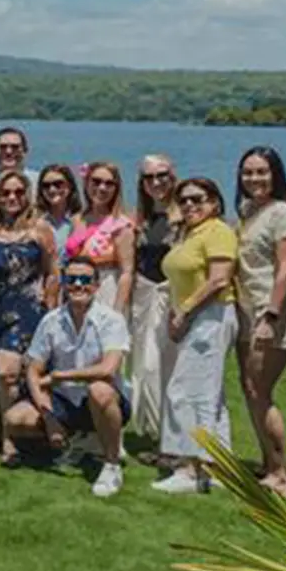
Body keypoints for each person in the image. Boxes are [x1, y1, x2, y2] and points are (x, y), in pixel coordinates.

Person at [3, 256, 132, 497]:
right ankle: (77, 442)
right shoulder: (51, 321)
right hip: (64, 400)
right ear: (63, 283)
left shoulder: (112, 320)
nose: (78, 285)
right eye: (72, 279)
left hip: (103, 399)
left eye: (85, 279)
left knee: (99, 390)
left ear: (97, 285)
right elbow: (33, 370)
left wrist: (60, 376)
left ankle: (111, 464)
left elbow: (108, 369)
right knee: (15, 418)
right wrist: (48, 418)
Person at [0, 169, 57, 452]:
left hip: (27, 310)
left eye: (18, 192)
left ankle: (11, 437)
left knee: (7, 371)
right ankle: (4, 430)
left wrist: (51, 309)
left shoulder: (40, 229)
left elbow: (52, 273)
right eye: (5, 192)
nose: (12, 197)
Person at [156, 176, 239, 496]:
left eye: (198, 199)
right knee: (210, 396)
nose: (190, 205)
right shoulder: (191, 233)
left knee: (185, 391)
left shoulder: (218, 231)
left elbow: (219, 280)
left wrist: (185, 312)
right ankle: (219, 468)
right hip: (196, 316)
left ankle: (190, 469)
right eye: (184, 200)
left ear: (215, 203)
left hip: (211, 316)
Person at [233, 146, 286, 498]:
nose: (254, 178)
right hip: (246, 311)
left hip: (270, 313)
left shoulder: (285, 215)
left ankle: (282, 474)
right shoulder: (248, 211)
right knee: (250, 388)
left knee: (260, 389)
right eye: (248, 172)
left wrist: (272, 315)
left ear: (275, 174)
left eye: (261, 171)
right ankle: (268, 463)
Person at [128, 155, 180, 449]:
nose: (156, 182)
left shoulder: (184, 216)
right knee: (142, 366)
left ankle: (170, 435)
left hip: (170, 297)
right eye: (149, 177)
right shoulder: (141, 220)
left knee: (161, 365)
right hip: (143, 297)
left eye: (162, 175)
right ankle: (154, 431)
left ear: (173, 177)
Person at [66, 160, 136, 315]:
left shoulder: (120, 224)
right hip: (77, 288)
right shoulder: (77, 219)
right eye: (96, 182)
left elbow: (126, 272)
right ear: (86, 183)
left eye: (109, 184)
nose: (102, 188)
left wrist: (118, 311)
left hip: (106, 290)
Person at [36, 163, 82, 254]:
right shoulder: (35, 223)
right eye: (46, 185)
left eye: (58, 184)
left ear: (70, 186)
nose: (52, 190)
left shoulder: (82, 221)